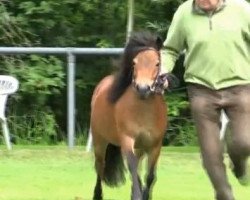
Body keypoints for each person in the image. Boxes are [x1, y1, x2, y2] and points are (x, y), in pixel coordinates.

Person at [161, 0, 250, 200]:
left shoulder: (242, 9)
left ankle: (239, 164)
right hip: (201, 90)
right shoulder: (184, 13)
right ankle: (224, 194)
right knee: (210, 153)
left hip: (240, 87)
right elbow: (170, 50)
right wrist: (162, 72)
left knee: (244, 142)